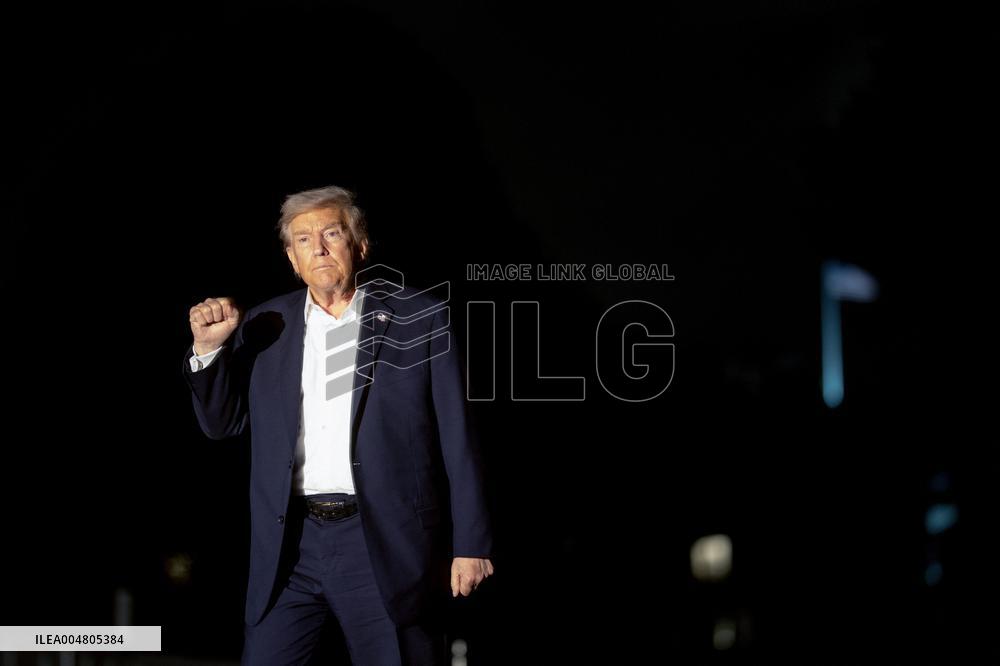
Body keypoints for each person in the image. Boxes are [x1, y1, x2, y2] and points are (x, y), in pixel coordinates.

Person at [182, 185, 494, 665]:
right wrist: (209, 351)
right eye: (304, 240)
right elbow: (223, 425)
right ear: (291, 258)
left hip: (381, 543)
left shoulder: (421, 318)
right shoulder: (267, 324)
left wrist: (471, 543)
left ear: (360, 244)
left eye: (332, 233)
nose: (319, 248)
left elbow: (459, 438)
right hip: (290, 546)